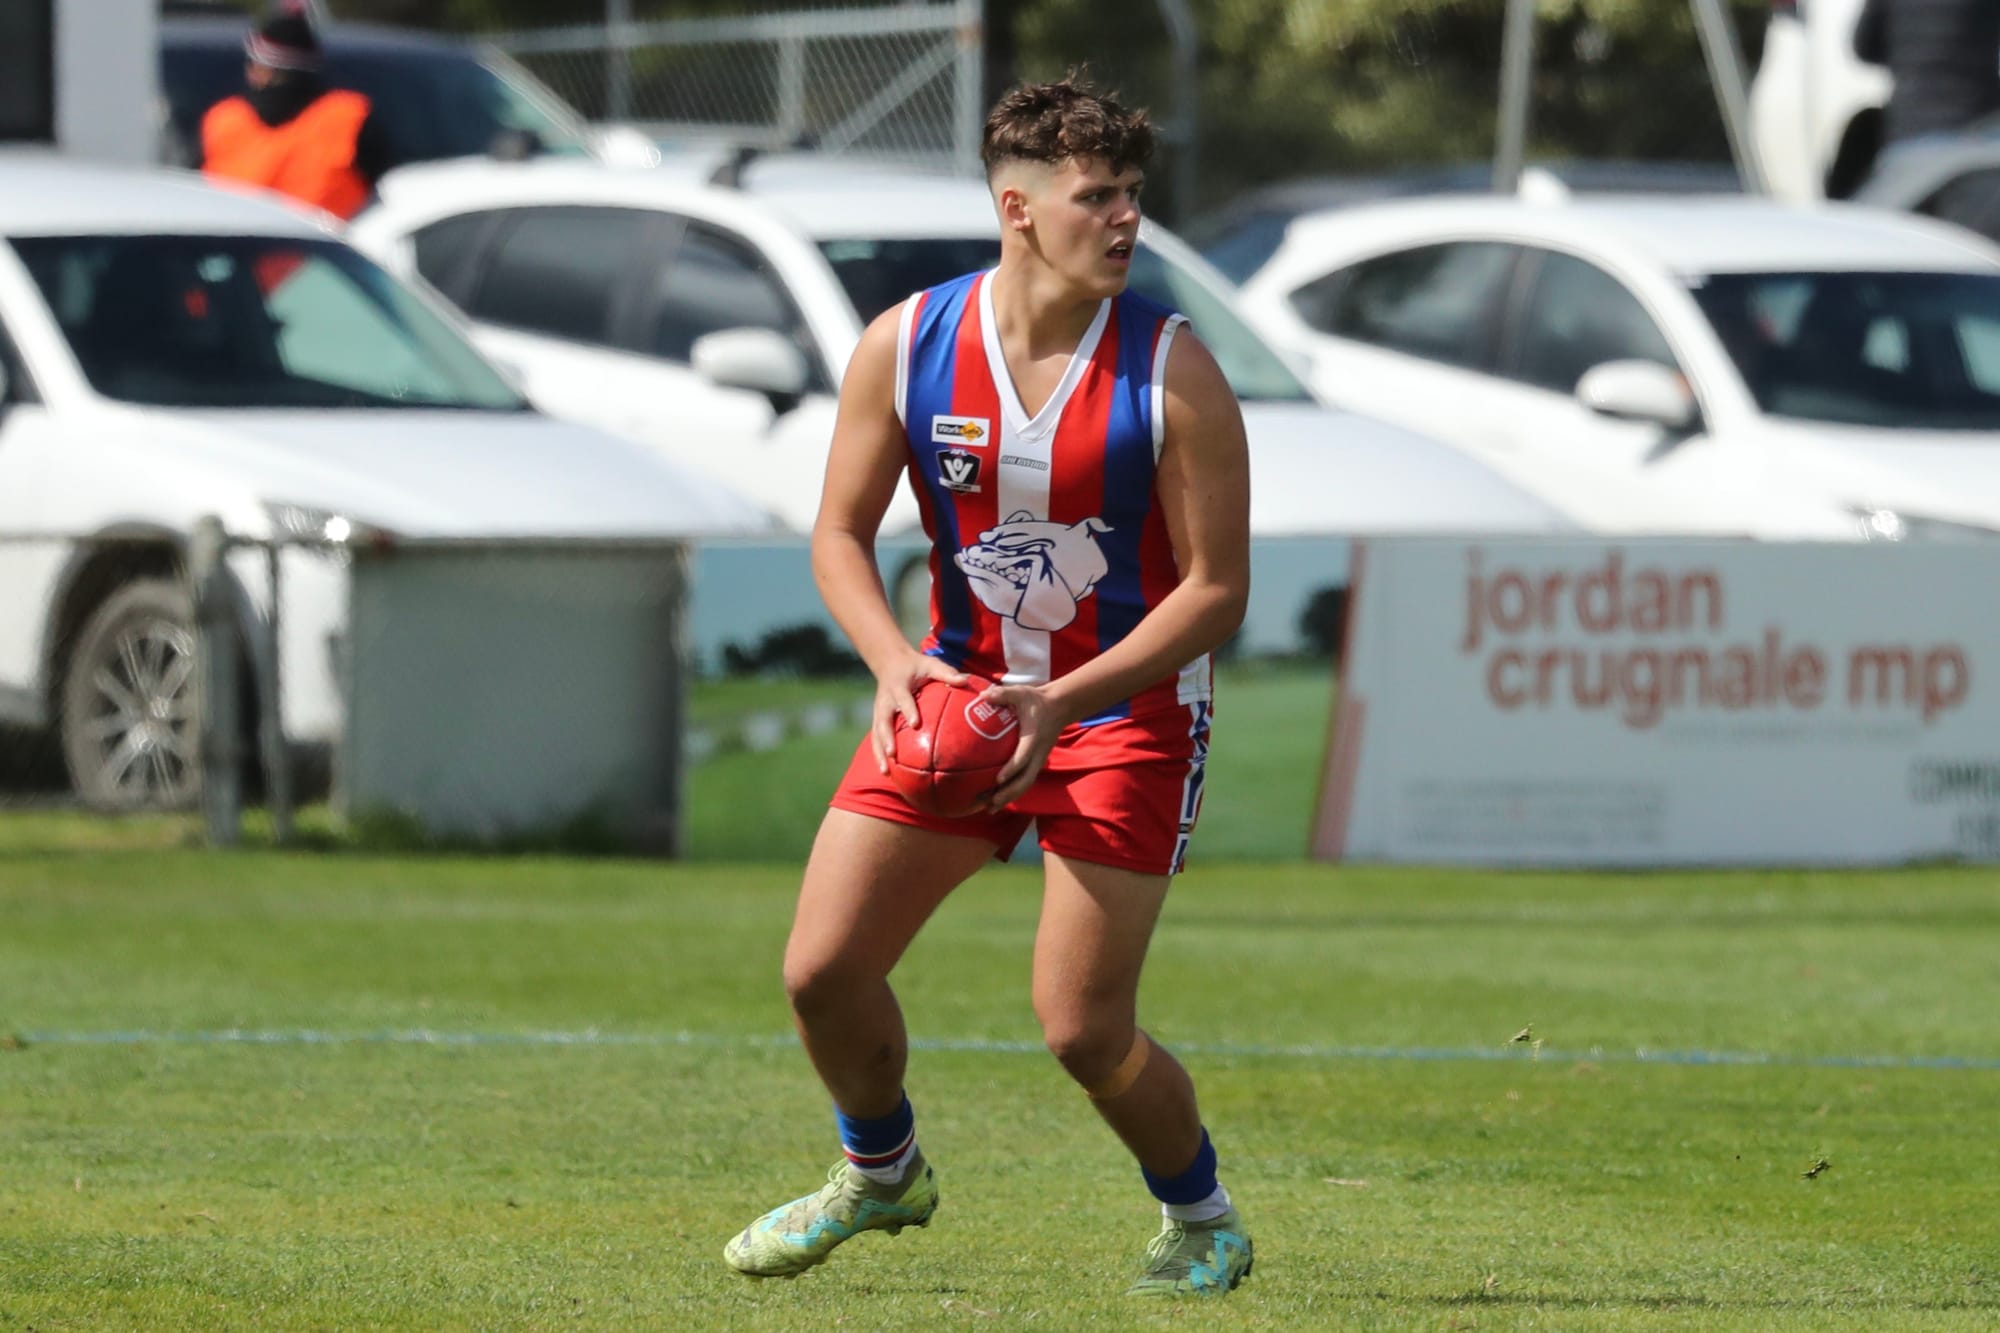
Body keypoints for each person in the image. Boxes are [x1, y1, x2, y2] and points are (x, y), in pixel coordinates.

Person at [720, 75, 1254, 1297]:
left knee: (1080, 1027)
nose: (1124, 219)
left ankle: (1203, 1218)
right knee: (820, 973)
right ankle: (881, 1172)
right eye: (1095, 196)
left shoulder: (1172, 371)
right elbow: (837, 535)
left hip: (1121, 717)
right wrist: (890, 659)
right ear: (1016, 208)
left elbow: (1216, 592)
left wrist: (1061, 702)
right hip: (955, 704)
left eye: (1131, 194)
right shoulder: (905, 344)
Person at [199, 6, 390, 221]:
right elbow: (386, 189)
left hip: (235, 239)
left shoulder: (222, 120)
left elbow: (193, 191)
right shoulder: (351, 117)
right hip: (328, 240)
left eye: (252, 63)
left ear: (264, 71)